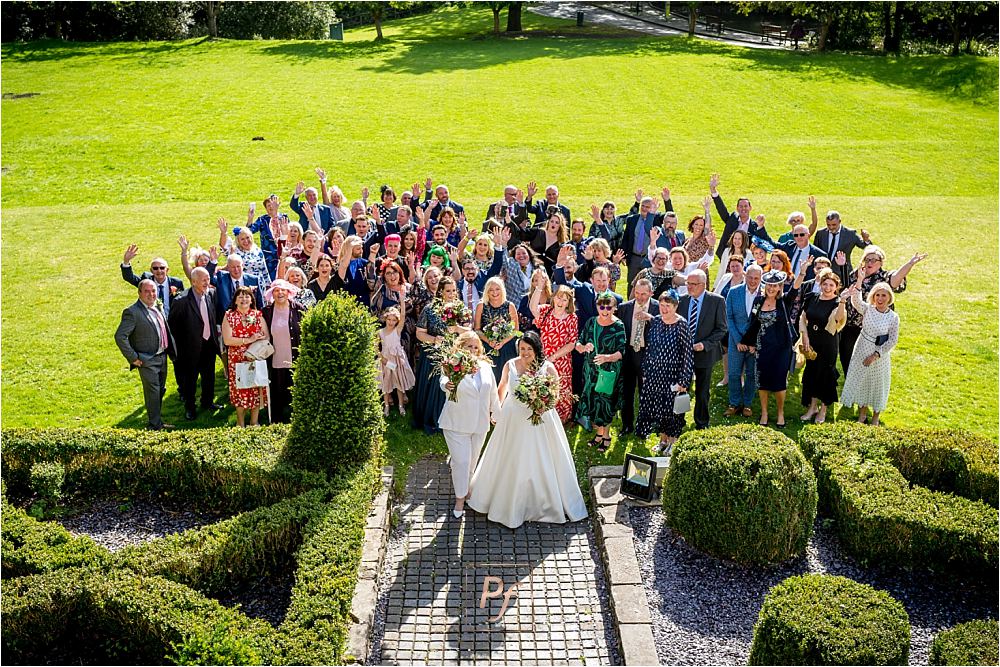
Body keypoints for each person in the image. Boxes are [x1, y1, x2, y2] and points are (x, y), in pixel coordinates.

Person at [467, 332, 588, 529]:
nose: (525, 353)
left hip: (540, 419)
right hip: (512, 417)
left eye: (529, 349)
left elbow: (555, 394)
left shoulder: (547, 367)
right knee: (508, 458)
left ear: (536, 349)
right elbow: (502, 388)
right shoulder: (510, 365)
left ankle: (542, 504)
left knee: (541, 458)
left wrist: (544, 405)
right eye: (522, 349)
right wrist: (495, 411)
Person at [438, 331, 500, 518]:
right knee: (461, 461)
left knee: (472, 460)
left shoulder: (485, 367)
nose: (472, 350)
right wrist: (447, 384)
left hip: (479, 423)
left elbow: (493, 392)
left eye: (475, 347)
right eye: (469, 346)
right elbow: (444, 380)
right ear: (460, 348)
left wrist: (496, 413)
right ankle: (459, 498)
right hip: (456, 423)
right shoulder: (452, 364)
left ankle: (466, 489)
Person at [742, 262, 810, 427]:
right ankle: (764, 413)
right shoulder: (758, 301)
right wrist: (749, 342)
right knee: (763, 381)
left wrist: (802, 273)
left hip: (781, 349)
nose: (772, 288)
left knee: (779, 382)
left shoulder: (784, 302)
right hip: (762, 348)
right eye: (769, 285)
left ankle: (780, 413)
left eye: (775, 286)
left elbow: (794, 290)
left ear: (780, 287)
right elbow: (753, 323)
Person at [840, 246, 925, 373]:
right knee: (847, 358)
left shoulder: (884, 277)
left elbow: (897, 279)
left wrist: (910, 264)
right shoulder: (856, 275)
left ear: (881, 263)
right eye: (867, 259)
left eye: (874, 260)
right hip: (850, 325)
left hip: (874, 329)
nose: (870, 263)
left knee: (868, 365)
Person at [636, 288, 694, 454]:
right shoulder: (655, 321)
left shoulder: (682, 324)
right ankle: (663, 440)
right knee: (659, 410)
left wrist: (684, 380)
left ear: (675, 306)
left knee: (673, 410)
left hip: (673, 375)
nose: (664, 308)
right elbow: (650, 349)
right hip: (655, 374)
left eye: (668, 305)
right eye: (661, 305)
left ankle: (673, 442)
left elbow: (687, 354)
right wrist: (646, 373)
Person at [114, 279, 175, 430]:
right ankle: (155, 425)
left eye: (153, 291)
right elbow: (120, 336)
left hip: (162, 356)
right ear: (139, 293)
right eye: (147, 291)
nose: (151, 294)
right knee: (153, 391)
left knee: (160, 390)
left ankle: (157, 420)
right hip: (146, 359)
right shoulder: (132, 312)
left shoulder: (157, 306)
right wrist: (133, 357)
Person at [412, 277, 470, 434]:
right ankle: (432, 418)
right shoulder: (430, 309)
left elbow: (469, 332)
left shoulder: (461, 308)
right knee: (434, 384)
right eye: (448, 291)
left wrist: (457, 328)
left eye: (453, 291)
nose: (451, 294)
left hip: (455, 353)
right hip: (433, 353)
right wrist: (434, 339)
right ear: (441, 292)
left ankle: (453, 420)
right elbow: (419, 333)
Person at [839, 279, 900, 426]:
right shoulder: (868, 309)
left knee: (878, 384)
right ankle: (862, 414)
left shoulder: (893, 317)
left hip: (880, 355)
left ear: (889, 298)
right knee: (862, 381)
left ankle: (876, 417)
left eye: (883, 295)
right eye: (877, 295)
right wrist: (859, 280)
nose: (880, 298)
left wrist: (876, 355)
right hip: (862, 347)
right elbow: (856, 301)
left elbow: (892, 340)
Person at [167, 267, 222, 421]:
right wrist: (179, 350)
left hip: (209, 345)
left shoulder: (211, 294)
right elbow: (173, 327)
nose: (207, 282)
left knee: (208, 377)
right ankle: (190, 408)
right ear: (193, 281)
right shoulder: (181, 301)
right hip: (190, 349)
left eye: (208, 279)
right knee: (190, 380)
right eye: (203, 280)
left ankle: (207, 402)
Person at [575, 292, 626, 452]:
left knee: (605, 404)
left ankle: (606, 436)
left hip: (609, 372)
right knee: (593, 402)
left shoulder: (618, 326)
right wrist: (584, 347)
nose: (604, 310)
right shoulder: (591, 322)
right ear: (597, 306)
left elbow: (622, 352)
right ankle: (598, 434)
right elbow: (578, 343)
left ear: (614, 308)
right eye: (601, 307)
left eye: (608, 307)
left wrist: (607, 357)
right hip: (591, 371)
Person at [677, 269, 728, 429]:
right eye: (688, 283)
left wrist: (705, 344)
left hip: (704, 353)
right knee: (681, 389)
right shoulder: (682, 300)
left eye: (694, 284)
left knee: (702, 391)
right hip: (683, 354)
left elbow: (721, 329)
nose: (690, 287)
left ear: (703, 284)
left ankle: (701, 423)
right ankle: (679, 421)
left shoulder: (716, 301)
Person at [799, 269, 848, 424]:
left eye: (831, 285)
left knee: (825, 375)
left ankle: (824, 410)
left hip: (827, 343)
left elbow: (838, 320)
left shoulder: (836, 303)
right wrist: (804, 335)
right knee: (812, 373)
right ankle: (812, 407)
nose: (827, 287)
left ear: (836, 287)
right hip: (811, 341)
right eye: (825, 284)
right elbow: (803, 317)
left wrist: (842, 302)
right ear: (820, 284)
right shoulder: (812, 297)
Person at [529, 283, 579, 424]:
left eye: (564, 300)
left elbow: (571, 343)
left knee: (561, 388)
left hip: (561, 360)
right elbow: (533, 308)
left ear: (569, 302)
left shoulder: (572, 318)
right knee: (543, 386)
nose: (560, 302)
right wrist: (539, 287)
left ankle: (561, 420)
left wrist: (554, 357)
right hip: (543, 358)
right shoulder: (546, 311)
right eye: (558, 298)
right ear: (553, 298)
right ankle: (543, 416)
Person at [222, 286, 269, 427]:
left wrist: (256, 342)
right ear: (235, 300)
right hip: (237, 360)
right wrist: (249, 339)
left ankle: (254, 422)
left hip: (255, 357)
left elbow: (266, 336)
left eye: (247, 296)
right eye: (241, 296)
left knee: (256, 388)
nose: (244, 299)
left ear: (251, 299)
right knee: (240, 390)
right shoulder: (229, 316)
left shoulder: (257, 315)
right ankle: (240, 423)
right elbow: (228, 340)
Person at [618, 279, 659, 436]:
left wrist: (650, 318)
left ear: (650, 293)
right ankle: (627, 425)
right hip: (629, 353)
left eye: (643, 294)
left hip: (647, 354)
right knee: (627, 393)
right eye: (637, 293)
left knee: (646, 392)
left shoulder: (657, 307)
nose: (640, 297)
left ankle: (645, 426)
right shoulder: (625, 308)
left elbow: (665, 327)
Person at [262, 279, 304, 424]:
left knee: (296, 391)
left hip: (295, 358)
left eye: (283, 290)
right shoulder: (266, 312)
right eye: (276, 290)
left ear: (288, 292)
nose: (280, 293)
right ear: (272, 294)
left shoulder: (298, 309)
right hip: (276, 358)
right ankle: (277, 422)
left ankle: (297, 420)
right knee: (277, 392)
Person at [724, 264, 763, 418]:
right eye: (750, 277)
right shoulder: (734, 292)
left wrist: (755, 343)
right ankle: (734, 403)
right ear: (745, 275)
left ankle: (747, 404)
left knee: (751, 375)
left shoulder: (765, 294)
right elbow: (729, 317)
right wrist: (738, 341)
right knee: (733, 374)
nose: (753, 281)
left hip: (755, 344)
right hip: (736, 341)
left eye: (756, 278)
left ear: (760, 278)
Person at [709, 172, 772, 258]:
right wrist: (713, 190)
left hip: (745, 260)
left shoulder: (755, 226)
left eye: (746, 206)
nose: (743, 209)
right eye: (741, 206)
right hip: (727, 256)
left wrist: (761, 226)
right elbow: (721, 209)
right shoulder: (732, 219)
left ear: (750, 208)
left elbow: (765, 241)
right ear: (737, 208)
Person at [474, 276, 520, 383]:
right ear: (487, 292)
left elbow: (516, 330)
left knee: (506, 379)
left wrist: (502, 342)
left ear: (502, 290)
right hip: (487, 346)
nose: (494, 292)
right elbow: (477, 329)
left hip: (506, 347)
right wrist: (489, 341)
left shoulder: (510, 306)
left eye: (497, 289)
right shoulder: (481, 306)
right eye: (491, 290)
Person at [120, 244, 185, 318]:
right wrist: (126, 261)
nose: (159, 270)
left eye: (162, 268)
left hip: (172, 320)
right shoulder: (146, 281)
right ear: (151, 270)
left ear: (167, 270)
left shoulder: (177, 283)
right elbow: (129, 277)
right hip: (152, 319)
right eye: (155, 268)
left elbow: (183, 303)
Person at [813, 210, 871, 288]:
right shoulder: (821, 233)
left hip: (842, 273)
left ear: (840, 221)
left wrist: (866, 240)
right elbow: (815, 251)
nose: (831, 227)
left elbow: (866, 247)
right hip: (823, 273)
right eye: (828, 225)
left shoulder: (850, 234)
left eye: (834, 225)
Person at [378, 305, 416, 417]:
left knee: (399, 382)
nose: (391, 322)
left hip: (397, 360)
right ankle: (386, 406)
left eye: (394, 320)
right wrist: (382, 358)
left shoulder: (397, 330)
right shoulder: (380, 332)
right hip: (386, 360)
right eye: (389, 319)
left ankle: (400, 405)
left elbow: (403, 315)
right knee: (386, 382)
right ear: (385, 318)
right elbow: (375, 347)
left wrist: (402, 300)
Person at [212, 254, 263, 323]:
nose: (236, 270)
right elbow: (208, 277)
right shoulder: (221, 278)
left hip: (249, 321)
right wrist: (213, 262)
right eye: (233, 267)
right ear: (228, 268)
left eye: (238, 266)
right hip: (226, 322)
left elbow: (259, 304)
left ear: (243, 266)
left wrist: (258, 321)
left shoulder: (253, 280)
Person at [334, 236, 378, 308]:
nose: (361, 251)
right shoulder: (341, 265)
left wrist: (373, 254)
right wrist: (350, 247)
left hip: (363, 304)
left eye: (361, 248)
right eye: (358, 249)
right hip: (346, 305)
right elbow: (343, 266)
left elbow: (371, 282)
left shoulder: (364, 263)